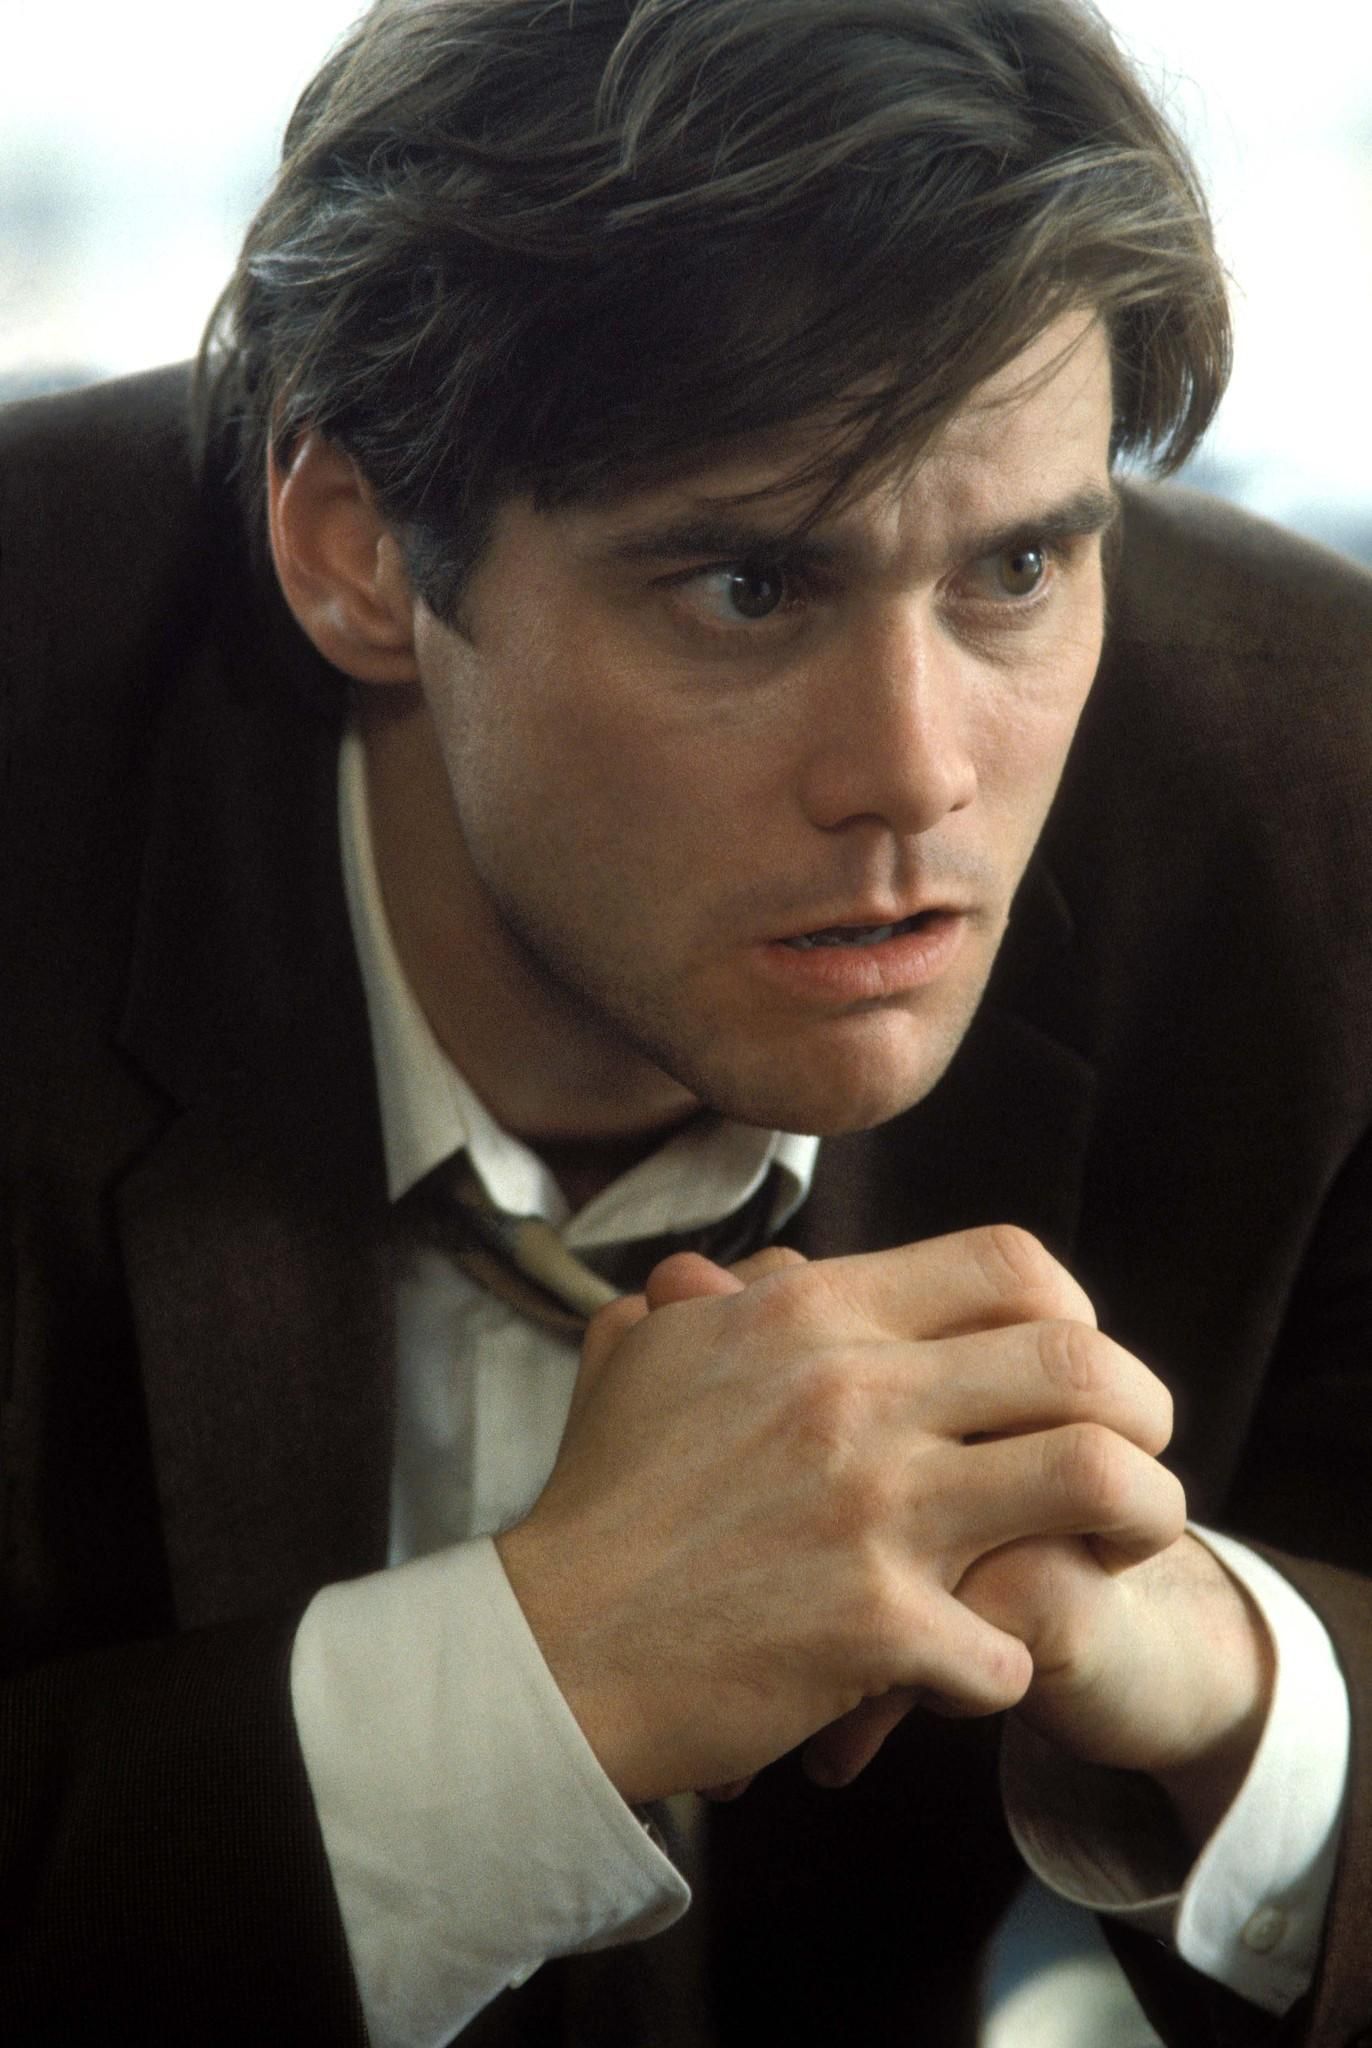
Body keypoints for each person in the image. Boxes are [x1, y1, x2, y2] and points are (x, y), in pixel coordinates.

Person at [2, 0, 1370, 2042]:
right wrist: (531, 1685)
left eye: (1014, 566)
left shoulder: (1314, 824)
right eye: (745, 589)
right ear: (356, 554)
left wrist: (1236, 1686)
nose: (914, 775)